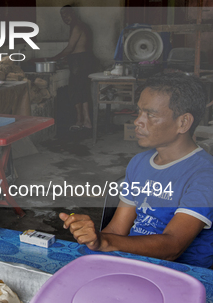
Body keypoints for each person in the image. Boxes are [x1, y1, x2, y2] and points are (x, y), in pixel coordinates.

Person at [59, 73, 213, 268]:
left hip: (182, 276)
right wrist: (93, 239)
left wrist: (105, 242)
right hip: (134, 263)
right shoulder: (139, 162)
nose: (138, 121)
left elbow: (173, 246)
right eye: (139, 112)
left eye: (151, 114)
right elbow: (116, 230)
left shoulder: (205, 175)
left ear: (183, 123)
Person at [51, 5, 95, 130]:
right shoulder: (79, 26)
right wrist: (67, 58)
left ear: (73, 13)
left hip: (80, 62)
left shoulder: (77, 27)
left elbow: (70, 48)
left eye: (67, 14)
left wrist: (53, 59)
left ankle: (81, 120)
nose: (65, 18)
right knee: (82, 90)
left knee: (75, 91)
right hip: (82, 60)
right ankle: (85, 121)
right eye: (62, 16)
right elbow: (78, 48)